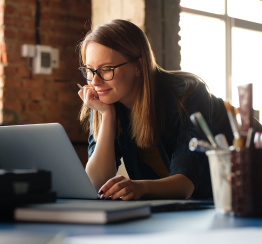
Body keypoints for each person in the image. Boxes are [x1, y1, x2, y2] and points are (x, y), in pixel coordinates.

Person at [77, 19, 234, 201]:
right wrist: (107, 115)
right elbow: (97, 183)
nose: (95, 82)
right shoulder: (105, 100)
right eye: (89, 70)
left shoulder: (188, 94)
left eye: (106, 69)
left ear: (139, 66)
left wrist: (140, 187)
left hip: (246, 188)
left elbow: (185, 185)